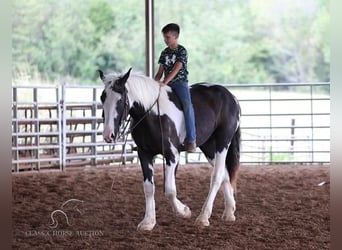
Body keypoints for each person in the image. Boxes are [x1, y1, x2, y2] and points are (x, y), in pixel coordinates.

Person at [154, 23, 197, 152]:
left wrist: (165, 82)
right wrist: (154, 83)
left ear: (176, 36)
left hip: (179, 83)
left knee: (187, 106)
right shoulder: (164, 52)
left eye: (167, 37)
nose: (165, 40)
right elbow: (160, 71)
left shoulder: (182, 51)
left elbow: (176, 69)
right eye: (164, 37)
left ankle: (191, 139)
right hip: (166, 83)